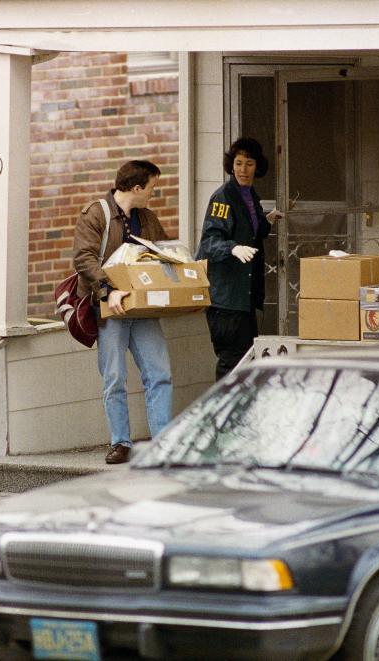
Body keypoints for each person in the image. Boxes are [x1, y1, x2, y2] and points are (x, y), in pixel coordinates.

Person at [73, 160, 173, 465]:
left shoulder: (148, 218)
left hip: (142, 308)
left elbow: (166, 252)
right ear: (137, 188)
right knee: (114, 377)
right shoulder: (97, 214)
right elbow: (83, 257)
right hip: (111, 308)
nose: (153, 195)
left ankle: (162, 445)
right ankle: (121, 443)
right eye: (152, 188)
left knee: (160, 373)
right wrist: (107, 289)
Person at [197, 137, 283, 380]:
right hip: (226, 299)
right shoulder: (224, 196)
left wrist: (267, 221)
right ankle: (225, 414)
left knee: (246, 359)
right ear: (231, 165)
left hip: (244, 297)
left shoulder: (249, 194)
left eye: (249, 163)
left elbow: (250, 231)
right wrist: (233, 248)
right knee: (232, 362)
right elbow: (209, 241)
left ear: (258, 166)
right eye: (238, 163)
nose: (243, 170)